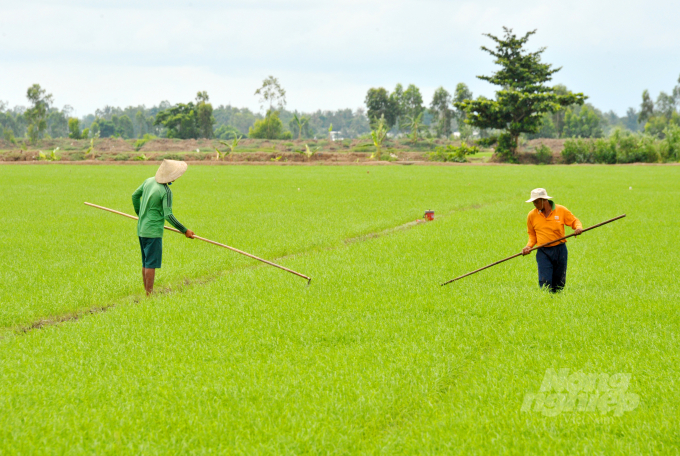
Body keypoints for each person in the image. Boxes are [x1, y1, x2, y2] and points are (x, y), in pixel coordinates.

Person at [132, 159, 195, 295]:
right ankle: (149, 294)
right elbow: (168, 215)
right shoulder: (166, 191)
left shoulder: (148, 181)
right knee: (151, 263)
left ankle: (147, 292)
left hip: (142, 228)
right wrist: (185, 230)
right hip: (153, 231)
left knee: (146, 261)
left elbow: (135, 196)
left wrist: (140, 214)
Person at [521, 188, 583, 293]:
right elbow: (532, 235)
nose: (534, 204)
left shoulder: (561, 210)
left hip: (560, 250)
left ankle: (556, 303)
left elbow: (574, 221)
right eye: (533, 202)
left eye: (536, 201)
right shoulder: (532, 215)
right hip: (543, 251)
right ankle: (546, 301)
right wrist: (528, 246)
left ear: (543, 200)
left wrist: (578, 228)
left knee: (559, 283)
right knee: (544, 281)